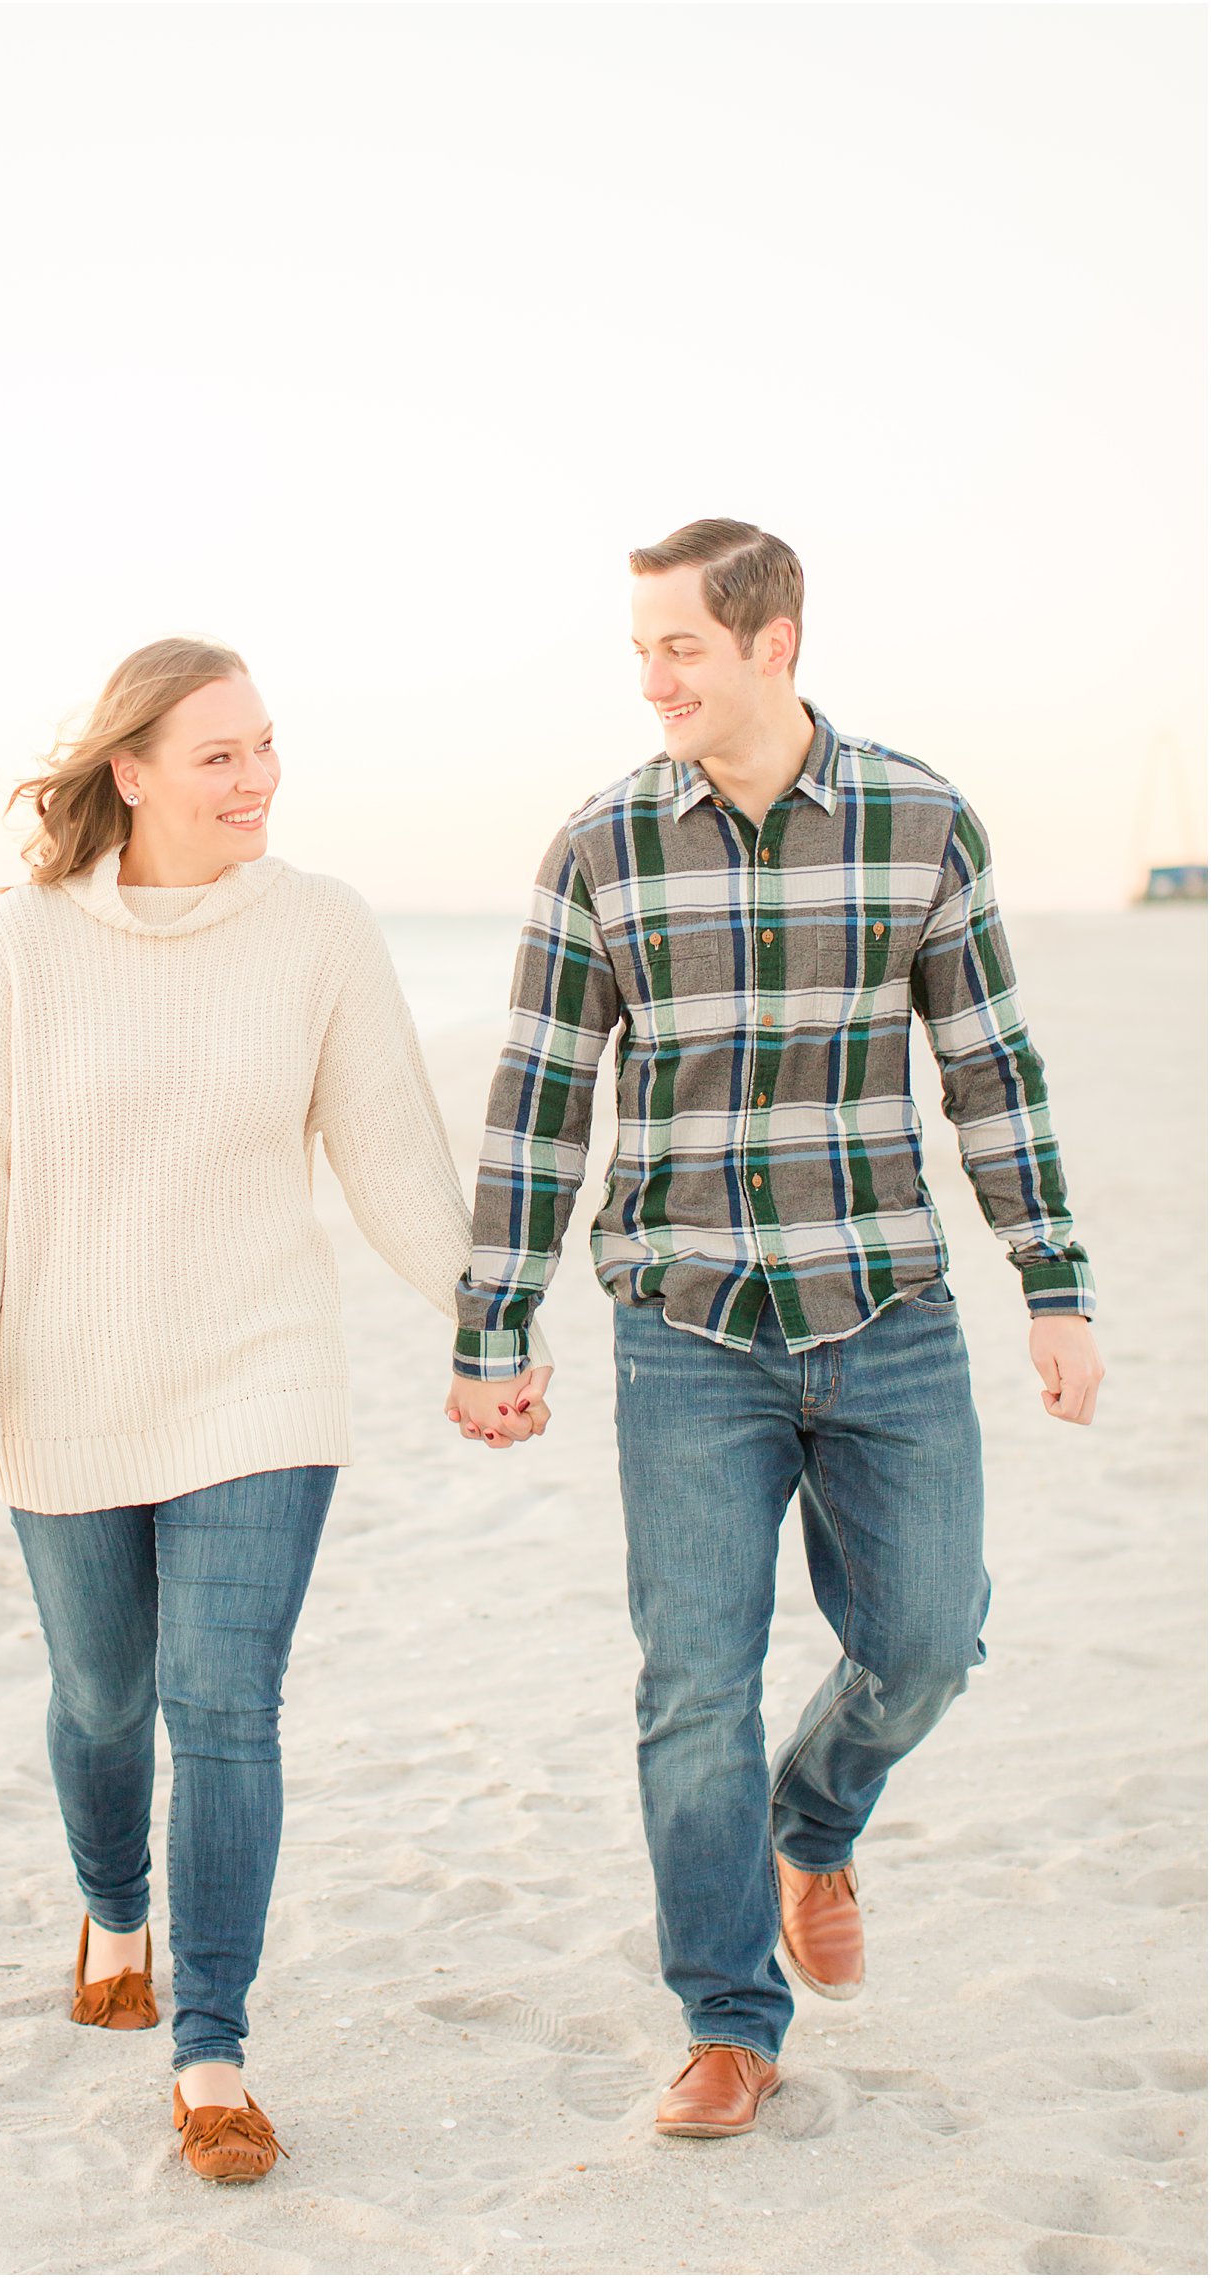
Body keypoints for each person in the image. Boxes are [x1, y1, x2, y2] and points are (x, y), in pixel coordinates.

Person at [447, 519, 1104, 2138]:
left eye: (681, 645)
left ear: (774, 641)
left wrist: (1056, 1283)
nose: (652, 677)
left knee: (930, 1638)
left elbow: (990, 1074)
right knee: (691, 1687)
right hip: (685, 1329)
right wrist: (495, 1322)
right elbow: (538, 1104)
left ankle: (815, 1817)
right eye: (641, 648)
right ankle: (730, 2022)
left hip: (885, 1306)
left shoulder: (920, 818)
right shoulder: (599, 847)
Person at [0, 637, 550, 2182]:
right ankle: (111, 1908)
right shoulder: (29, 945)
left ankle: (212, 2050)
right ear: (129, 771)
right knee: (106, 1701)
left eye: (268, 746)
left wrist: (494, 1317)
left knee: (227, 1707)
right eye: (220, 755)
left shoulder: (321, 928)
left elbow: (392, 1153)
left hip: (262, 1382)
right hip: (65, 1385)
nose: (258, 778)